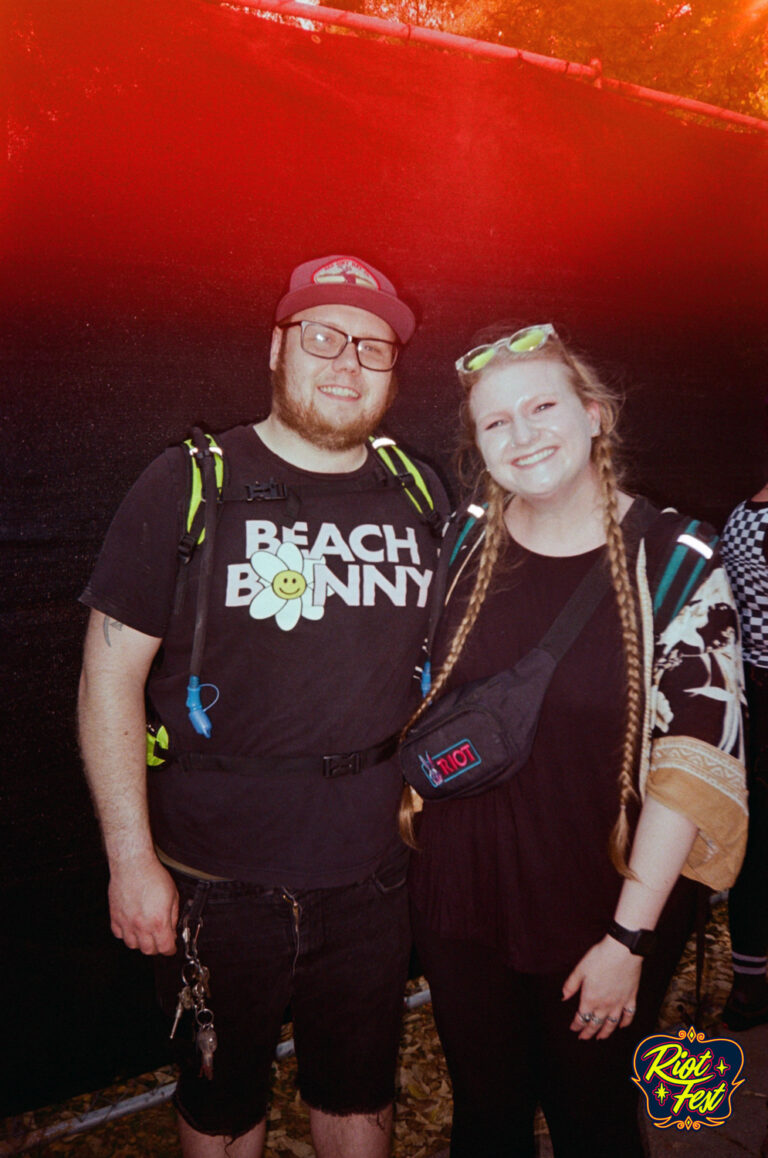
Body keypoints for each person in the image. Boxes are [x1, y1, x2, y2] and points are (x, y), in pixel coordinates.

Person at [78, 254, 447, 1158]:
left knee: (359, 1090)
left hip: (371, 872)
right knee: (220, 1098)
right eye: (322, 336)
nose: (346, 362)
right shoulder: (188, 482)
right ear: (276, 348)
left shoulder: (423, 492)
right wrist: (130, 859)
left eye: (372, 347)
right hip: (212, 877)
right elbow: (107, 679)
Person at [403, 324, 747, 1157]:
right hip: (460, 898)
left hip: (600, 905)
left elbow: (691, 767)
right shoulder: (460, 544)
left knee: (591, 1119)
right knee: (486, 1115)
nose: (523, 436)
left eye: (543, 407)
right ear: (478, 445)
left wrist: (628, 940)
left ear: (595, 416)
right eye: (496, 423)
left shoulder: (678, 563)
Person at [721, 480, 768, 1029]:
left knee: (759, 844)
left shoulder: (743, 511)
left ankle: (750, 985)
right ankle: (751, 988)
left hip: (752, 689)